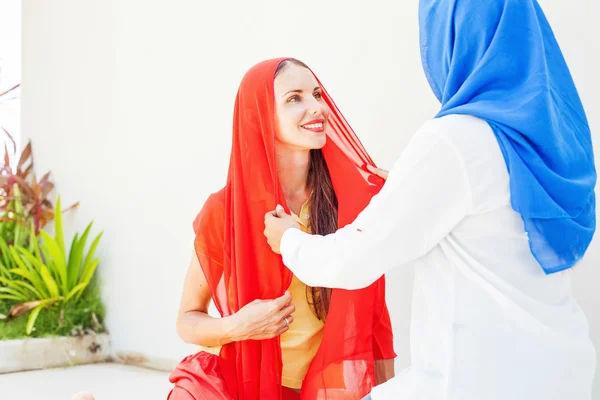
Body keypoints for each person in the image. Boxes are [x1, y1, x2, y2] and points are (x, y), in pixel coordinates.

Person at [264, 1, 597, 399]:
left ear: (452, 38)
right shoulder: (554, 140)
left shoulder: (454, 139)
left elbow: (352, 260)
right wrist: (410, 187)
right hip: (565, 374)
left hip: (474, 383)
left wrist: (289, 240)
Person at [168, 58, 396, 400]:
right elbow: (187, 319)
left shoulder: (354, 202)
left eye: (317, 94)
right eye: (295, 98)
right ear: (260, 115)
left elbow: (375, 320)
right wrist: (238, 326)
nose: (317, 107)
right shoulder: (224, 210)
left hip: (316, 387)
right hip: (235, 381)